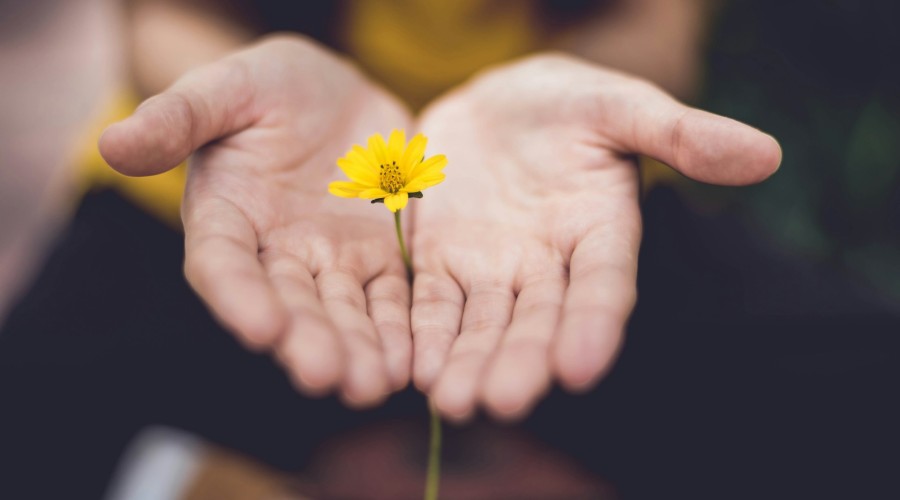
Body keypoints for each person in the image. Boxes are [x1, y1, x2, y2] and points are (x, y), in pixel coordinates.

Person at [97, 0, 781, 421]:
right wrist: (231, 88)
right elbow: (164, 12)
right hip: (248, 189)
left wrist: (578, 90)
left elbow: (653, 26)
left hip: (551, 196)